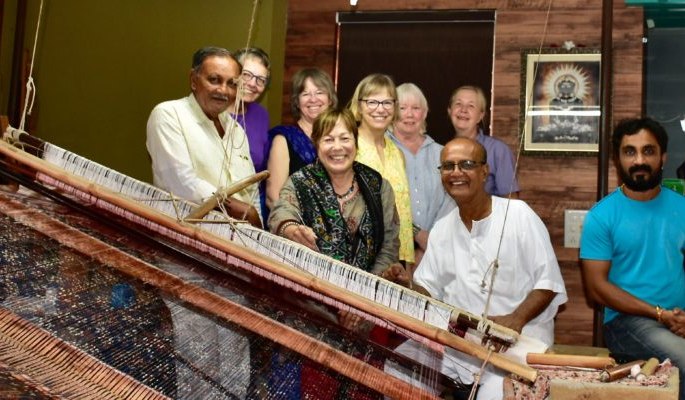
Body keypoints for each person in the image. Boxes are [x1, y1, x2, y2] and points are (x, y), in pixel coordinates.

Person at [387, 137, 566, 400]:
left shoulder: (519, 215)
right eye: (448, 166)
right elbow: (428, 289)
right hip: (460, 345)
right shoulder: (442, 228)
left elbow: (547, 283)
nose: (456, 173)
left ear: (484, 172)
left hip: (520, 343)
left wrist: (514, 321)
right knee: (398, 366)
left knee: (493, 396)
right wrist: (408, 286)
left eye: (466, 164)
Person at [268, 107, 402, 399]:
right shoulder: (301, 182)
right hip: (315, 316)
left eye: (345, 138)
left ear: (355, 142)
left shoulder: (377, 186)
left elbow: (390, 245)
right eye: (328, 139)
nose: (338, 147)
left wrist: (362, 302)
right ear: (316, 144)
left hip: (367, 312)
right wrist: (292, 229)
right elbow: (281, 213)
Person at [580, 117, 685, 398]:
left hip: (678, 317)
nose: (639, 160)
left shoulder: (682, 208)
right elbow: (596, 289)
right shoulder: (601, 217)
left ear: (663, 157)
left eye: (648, 151)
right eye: (630, 152)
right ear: (618, 160)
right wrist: (659, 314)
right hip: (626, 322)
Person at [146, 46, 260, 222]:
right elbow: (181, 184)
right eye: (214, 80)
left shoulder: (236, 130)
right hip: (188, 235)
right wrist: (245, 212)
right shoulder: (168, 115)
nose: (223, 90)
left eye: (232, 84)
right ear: (193, 80)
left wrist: (257, 228)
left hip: (241, 239)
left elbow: (252, 191)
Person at [349, 73, 415, 266]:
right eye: (372, 102)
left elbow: (404, 211)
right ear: (359, 106)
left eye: (387, 102)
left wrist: (407, 264)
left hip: (398, 258)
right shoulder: (349, 147)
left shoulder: (398, 154)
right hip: (360, 255)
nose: (380, 109)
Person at [388, 82, 449, 265]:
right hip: (392, 253)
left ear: (425, 112)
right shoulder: (381, 150)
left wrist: (430, 243)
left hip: (438, 250)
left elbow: (451, 200)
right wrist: (416, 236)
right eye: (402, 107)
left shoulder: (443, 153)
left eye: (416, 108)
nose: (409, 114)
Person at [265, 68, 337, 212]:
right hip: (294, 226)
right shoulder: (283, 139)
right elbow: (273, 197)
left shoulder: (339, 139)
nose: (313, 99)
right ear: (297, 102)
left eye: (319, 92)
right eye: (305, 94)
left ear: (330, 99)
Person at [448, 85, 519, 198]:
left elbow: (511, 202)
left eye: (471, 106)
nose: (463, 110)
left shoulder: (498, 150)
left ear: (480, 115)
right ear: (450, 111)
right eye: (458, 104)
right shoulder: (442, 151)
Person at [232, 47, 271, 221]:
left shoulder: (261, 115)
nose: (253, 84)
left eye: (261, 80)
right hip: (214, 204)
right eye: (246, 74)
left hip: (251, 206)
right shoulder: (213, 112)